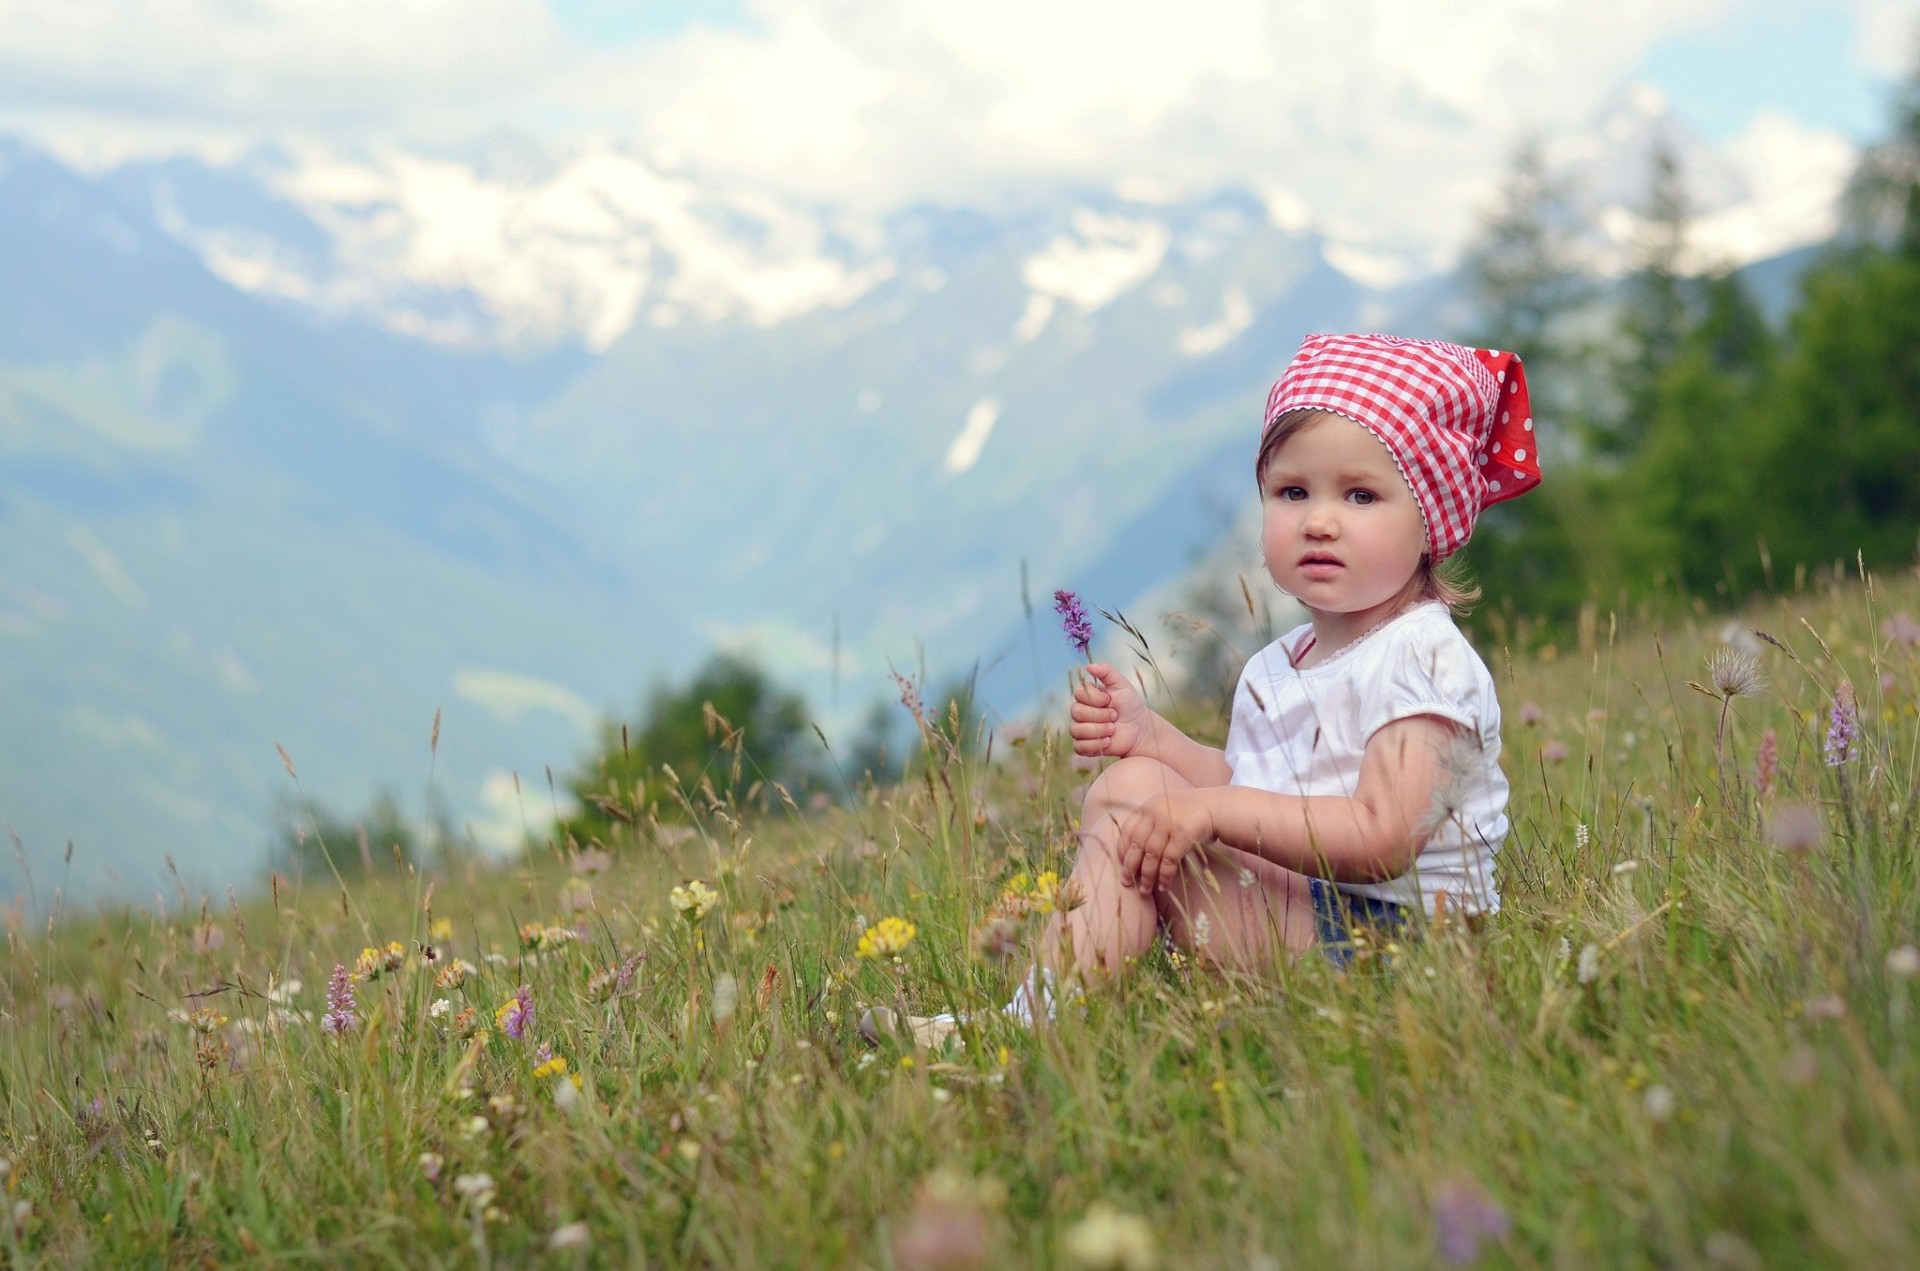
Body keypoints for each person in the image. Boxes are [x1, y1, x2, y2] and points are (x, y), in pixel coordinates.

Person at [863, 333, 1541, 1047]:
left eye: (1362, 494)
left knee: (1142, 812)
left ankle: (1022, 1033)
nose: (1318, 519)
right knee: (1132, 788)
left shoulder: (1421, 656)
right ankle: (1029, 1017)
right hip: (1316, 916)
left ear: (1432, 517)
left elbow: (1382, 836)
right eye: (1292, 491)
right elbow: (1261, 788)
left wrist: (1210, 809)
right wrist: (1153, 739)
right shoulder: (1280, 664)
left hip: (1399, 947)